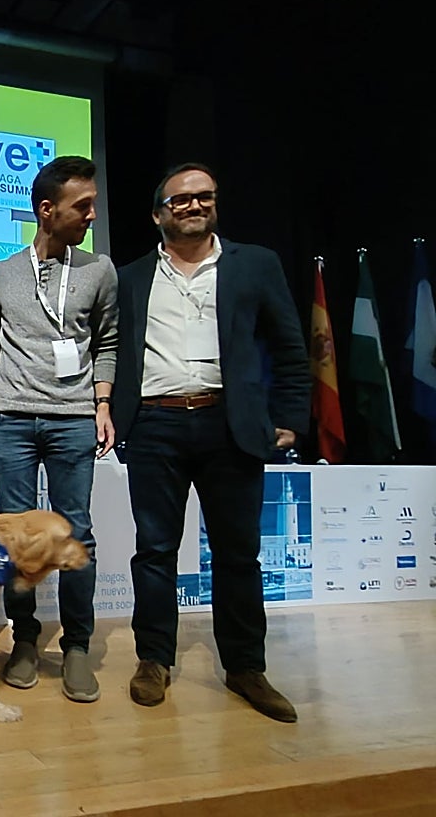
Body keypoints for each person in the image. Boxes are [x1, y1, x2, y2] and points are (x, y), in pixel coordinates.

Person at [111, 162, 309, 722]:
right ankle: (153, 659)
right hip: (154, 425)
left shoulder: (256, 265)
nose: (194, 206)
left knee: (239, 555)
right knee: (154, 551)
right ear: (158, 214)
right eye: (180, 200)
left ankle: (246, 667)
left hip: (231, 426)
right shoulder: (130, 277)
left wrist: (290, 416)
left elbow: (291, 347)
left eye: (204, 197)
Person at [0, 155, 117, 703]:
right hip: (12, 421)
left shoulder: (99, 270)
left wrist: (102, 403)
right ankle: (25, 640)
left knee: (76, 534)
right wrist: (9, 380)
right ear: (46, 210)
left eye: (93, 205)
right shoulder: (2, 272)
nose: (90, 215)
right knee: (17, 536)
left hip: (74, 421)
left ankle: (78, 645)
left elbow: (107, 341)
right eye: (81, 206)